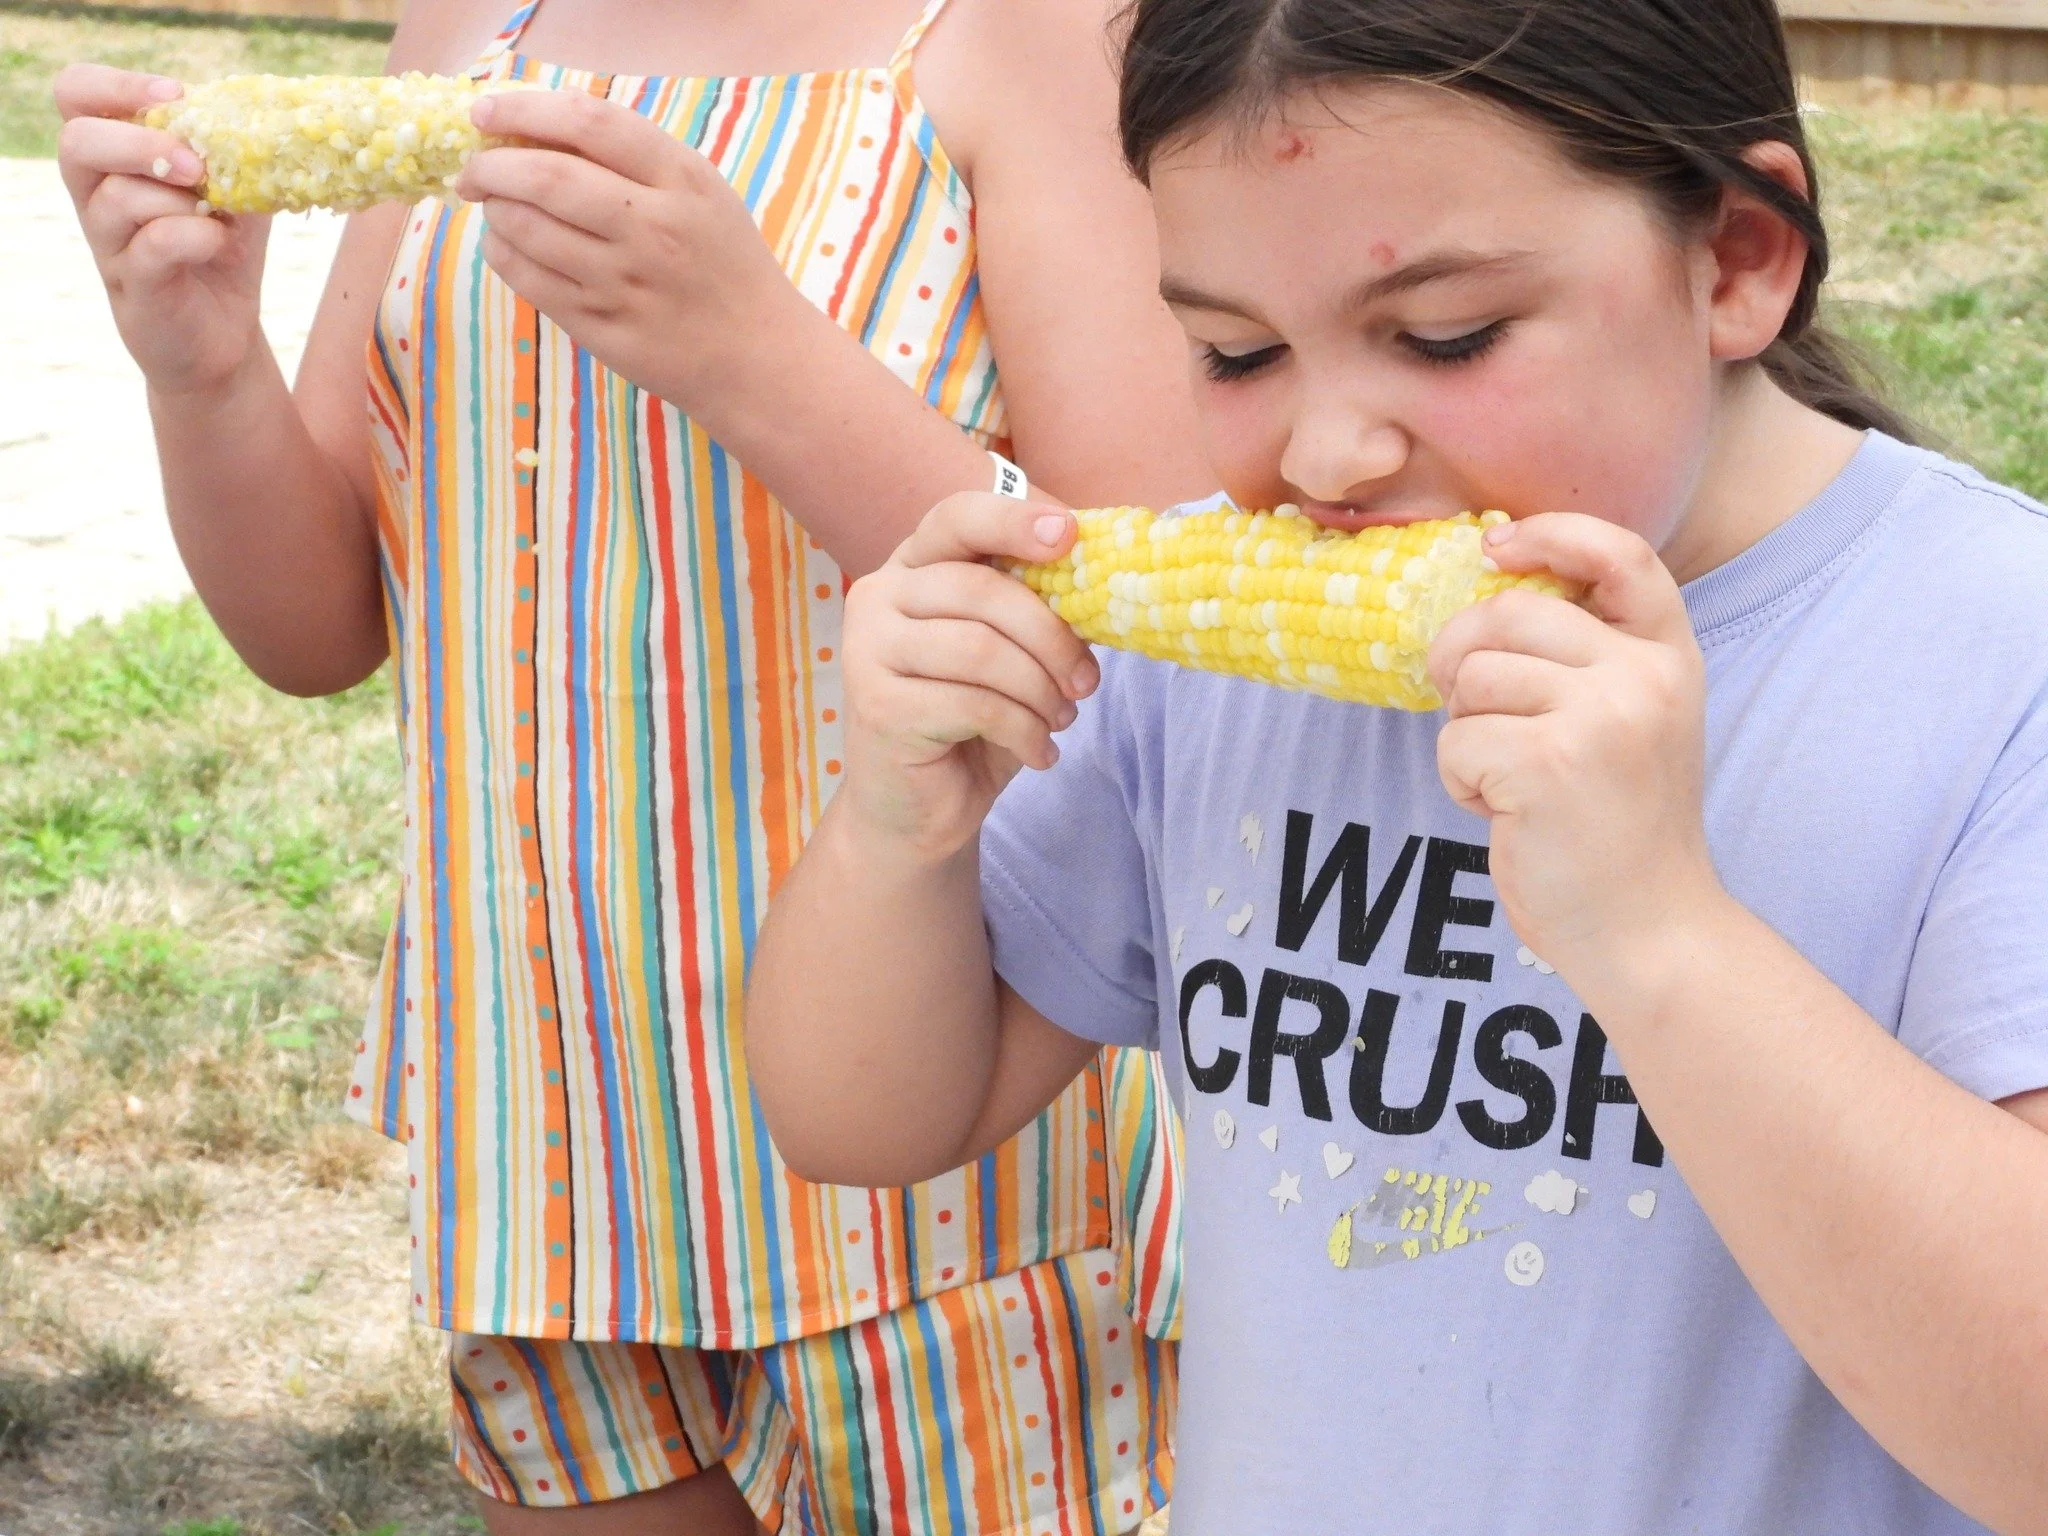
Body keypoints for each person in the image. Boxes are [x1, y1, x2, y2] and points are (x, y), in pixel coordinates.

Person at [745, 0, 2048, 1531]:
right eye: (1236, 350)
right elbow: (861, 1121)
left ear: (1739, 259)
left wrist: (1658, 930)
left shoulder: (1992, 660)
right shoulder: (1204, 680)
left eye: (1446, 336)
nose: (1324, 458)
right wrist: (897, 829)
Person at [53, 0, 1209, 1530]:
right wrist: (200, 370)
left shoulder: (1028, 38)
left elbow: (1151, 631)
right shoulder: (471, 27)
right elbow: (322, 620)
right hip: (562, 1137)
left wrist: (747, 351)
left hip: (950, 1152)